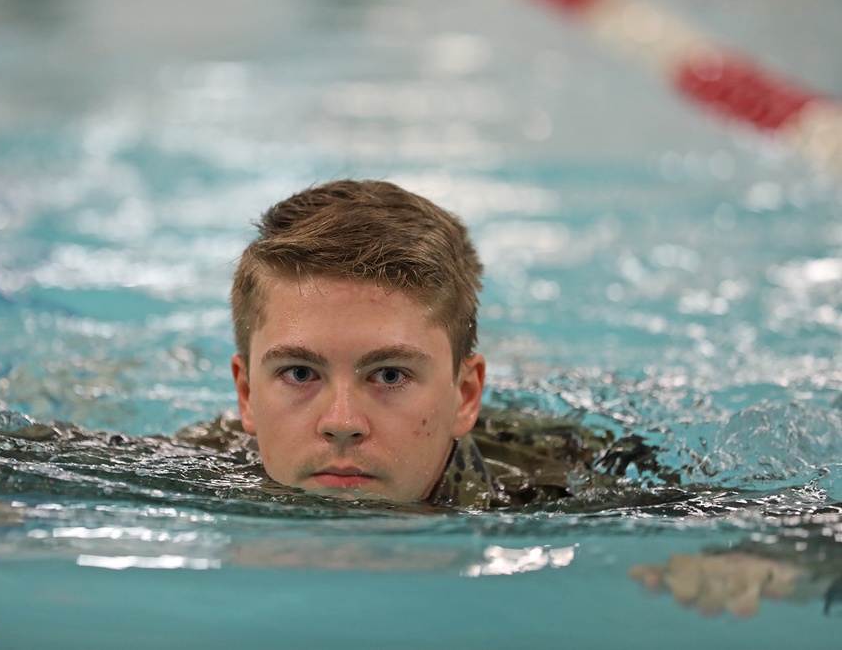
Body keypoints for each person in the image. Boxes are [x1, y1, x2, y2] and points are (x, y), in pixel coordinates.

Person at [178, 179, 673, 510]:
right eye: (300, 373)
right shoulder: (185, 471)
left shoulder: (565, 483)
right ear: (246, 395)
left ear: (465, 396)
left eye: (390, 374)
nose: (343, 424)